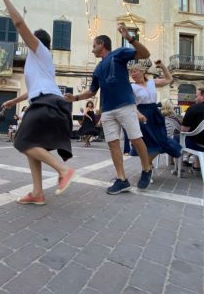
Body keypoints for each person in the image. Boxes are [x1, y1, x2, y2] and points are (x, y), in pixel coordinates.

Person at [0, 0, 75, 205]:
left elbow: (20, 25)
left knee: (22, 141)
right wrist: (14, 100)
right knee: (32, 147)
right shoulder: (41, 62)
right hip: (48, 103)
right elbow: (35, 89)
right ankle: (37, 193)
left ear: (37, 41)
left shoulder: (39, 50)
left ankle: (63, 170)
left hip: (47, 104)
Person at [65, 24, 153, 194]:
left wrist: (129, 38)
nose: (92, 50)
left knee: (136, 139)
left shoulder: (118, 53)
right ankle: (122, 180)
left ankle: (147, 169)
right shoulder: (97, 68)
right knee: (113, 144)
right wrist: (74, 98)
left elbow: (145, 54)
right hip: (107, 110)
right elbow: (91, 91)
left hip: (125, 105)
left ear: (101, 44)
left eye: (93, 46)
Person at [129, 61, 181, 185]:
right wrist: (138, 114)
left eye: (135, 71)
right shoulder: (131, 87)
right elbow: (130, 103)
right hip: (141, 115)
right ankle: (147, 170)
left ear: (143, 71)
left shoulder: (152, 83)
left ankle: (147, 167)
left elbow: (169, 79)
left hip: (155, 114)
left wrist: (163, 66)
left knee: (160, 142)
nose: (133, 74)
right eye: (131, 72)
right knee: (146, 145)